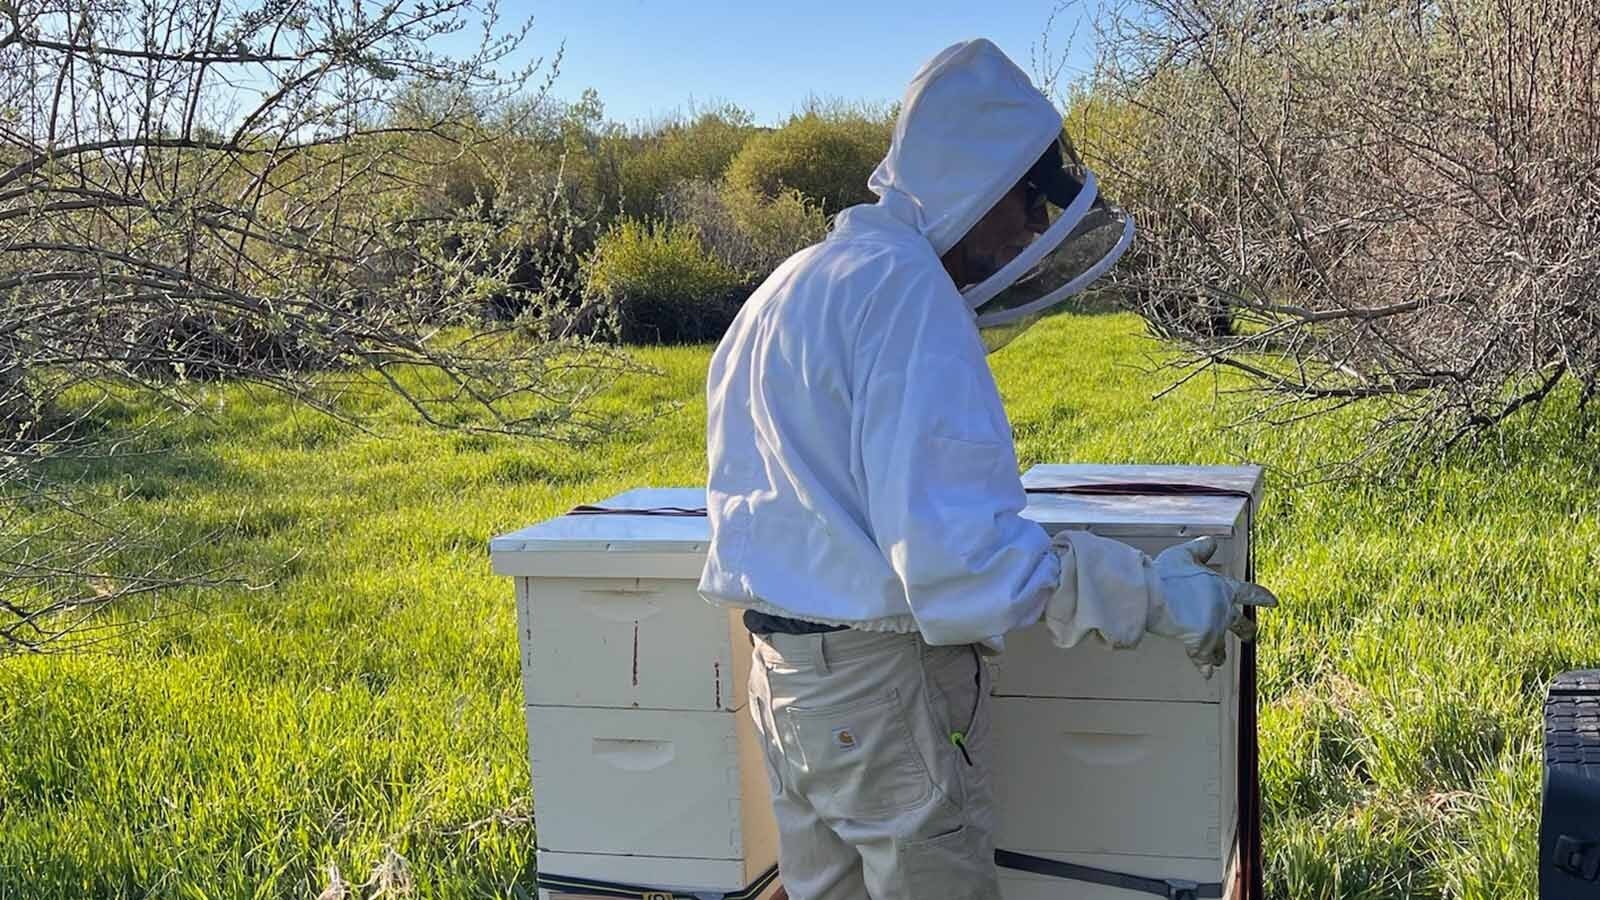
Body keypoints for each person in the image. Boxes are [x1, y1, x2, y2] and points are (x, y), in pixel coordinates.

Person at [698, 38, 1275, 900]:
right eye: (1032, 202)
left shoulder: (793, 284)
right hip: (878, 692)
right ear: (979, 186)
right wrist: (1152, 595)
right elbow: (963, 565)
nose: (1038, 230)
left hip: (785, 687)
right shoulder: (906, 291)